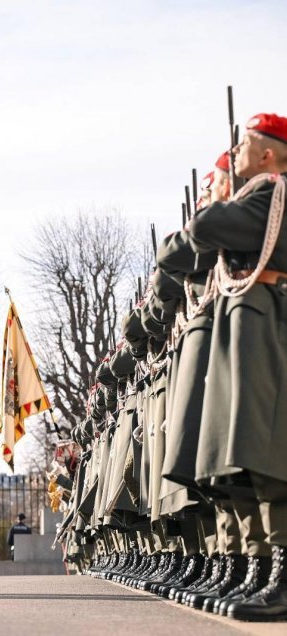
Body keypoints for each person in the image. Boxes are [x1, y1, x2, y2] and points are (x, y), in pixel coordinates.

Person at [188, 113, 287, 621]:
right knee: (245, 462)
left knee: (265, 458)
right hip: (247, 319)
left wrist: (220, 199)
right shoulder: (266, 192)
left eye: (244, 144)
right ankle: (260, 569)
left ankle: (279, 573)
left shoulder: (271, 192)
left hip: (262, 321)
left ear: (267, 153)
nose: (237, 152)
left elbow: (204, 229)